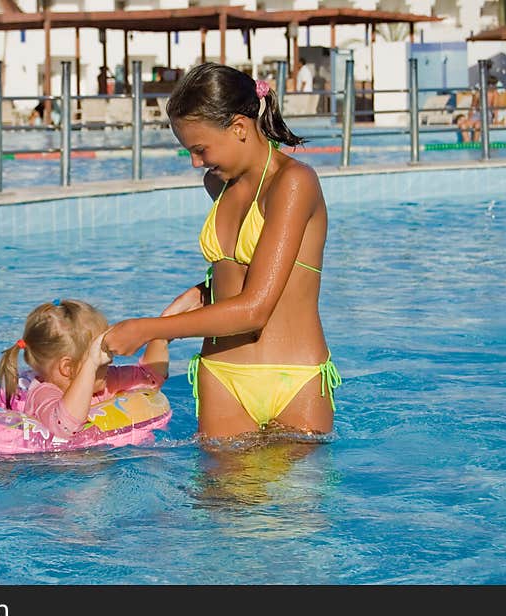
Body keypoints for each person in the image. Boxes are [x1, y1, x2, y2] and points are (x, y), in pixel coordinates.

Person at [105, 63, 341, 439]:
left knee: (293, 499)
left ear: (239, 128)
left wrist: (151, 328)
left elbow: (255, 309)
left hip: (293, 379)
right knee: (218, 500)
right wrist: (192, 299)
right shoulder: (217, 184)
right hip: (222, 376)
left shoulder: (295, 183)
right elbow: (234, 274)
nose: (196, 162)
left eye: (200, 149)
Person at [0, 299, 169, 441]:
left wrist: (163, 331)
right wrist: (91, 364)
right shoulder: (43, 393)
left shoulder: (105, 380)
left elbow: (150, 379)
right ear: (68, 368)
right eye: (101, 360)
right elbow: (65, 427)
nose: (109, 361)